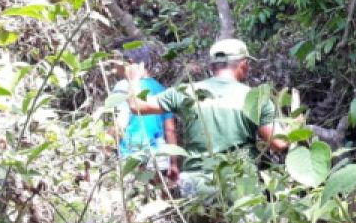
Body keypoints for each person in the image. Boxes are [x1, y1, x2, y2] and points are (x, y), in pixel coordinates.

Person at [123, 37, 287, 197]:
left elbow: (137, 106)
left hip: (195, 183)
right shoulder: (255, 98)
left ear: (212, 66)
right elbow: (278, 144)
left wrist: (133, 79)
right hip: (240, 183)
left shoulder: (184, 92)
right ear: (243, 64)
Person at [110, 43, 178, 185]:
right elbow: (170, 129)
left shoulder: (124, 87)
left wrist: (105, 147)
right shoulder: (161, 89)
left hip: (132, 155)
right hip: (159, 157)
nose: (114, 68)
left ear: (129, 63)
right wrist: (174, 163)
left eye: (115, 61)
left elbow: (120, 123)